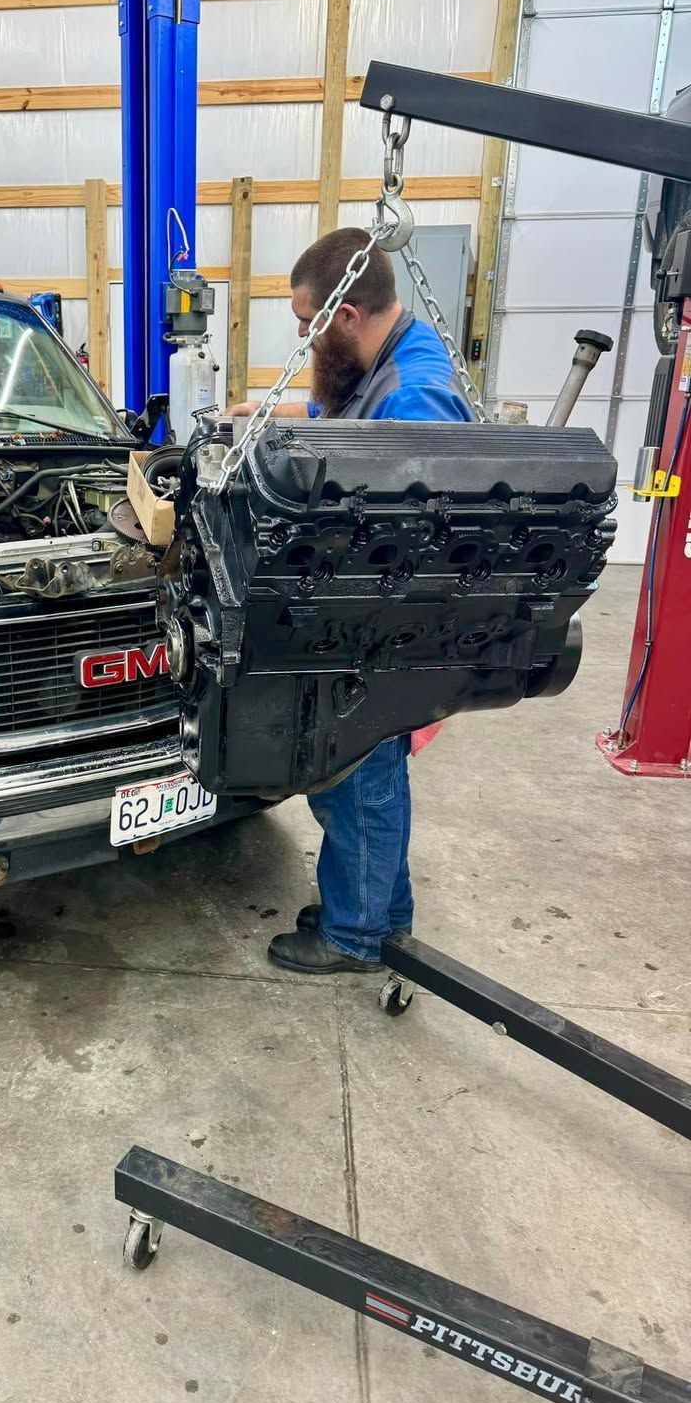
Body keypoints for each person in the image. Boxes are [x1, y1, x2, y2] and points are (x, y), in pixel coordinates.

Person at [226, 227, 473, 974]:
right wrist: (268, 415)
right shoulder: (388, 358)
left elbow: (416, 496)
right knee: (368, 770)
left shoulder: (418, 389)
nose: (303, 339)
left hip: (385, 618)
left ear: (348, 316)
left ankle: (353, 937)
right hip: (377, 609)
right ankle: (375, 910)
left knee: (353, 771)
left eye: (308, 324)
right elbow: (342, 415)